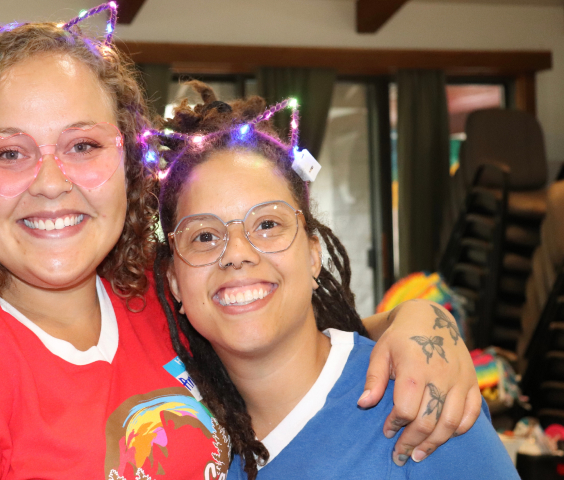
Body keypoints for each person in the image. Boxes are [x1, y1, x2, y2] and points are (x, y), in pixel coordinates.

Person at [0, 5, 480, 479]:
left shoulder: (155, 292)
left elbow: (299, 340)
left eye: (83, 145)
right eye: (11, 153)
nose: (52, 183)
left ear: (127, 166)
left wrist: (424, 323)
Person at [154, 83, 519, 479]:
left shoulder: (420, 406)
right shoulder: (175, 436)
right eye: (204, 236)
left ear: (313, 254)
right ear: (174, 281)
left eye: (268, 224)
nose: (238, 253)